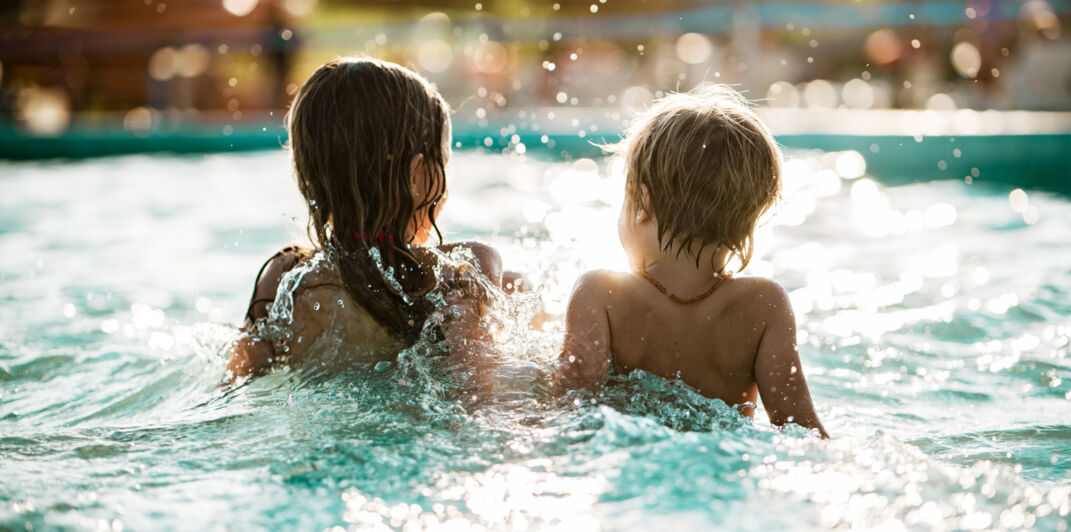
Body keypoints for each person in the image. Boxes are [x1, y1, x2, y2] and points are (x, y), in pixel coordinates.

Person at [554, 85, 828, 437]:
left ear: (642, 203)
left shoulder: (601, 294)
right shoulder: (765, 306)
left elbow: (568, 411)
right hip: (724, 470)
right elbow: (802, 430)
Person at [227, 57, 504, 380]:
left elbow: (237, 382)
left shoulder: (283, 278)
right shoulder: (461, 267)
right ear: (417, 177)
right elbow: (475, 388)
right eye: (443, 163)